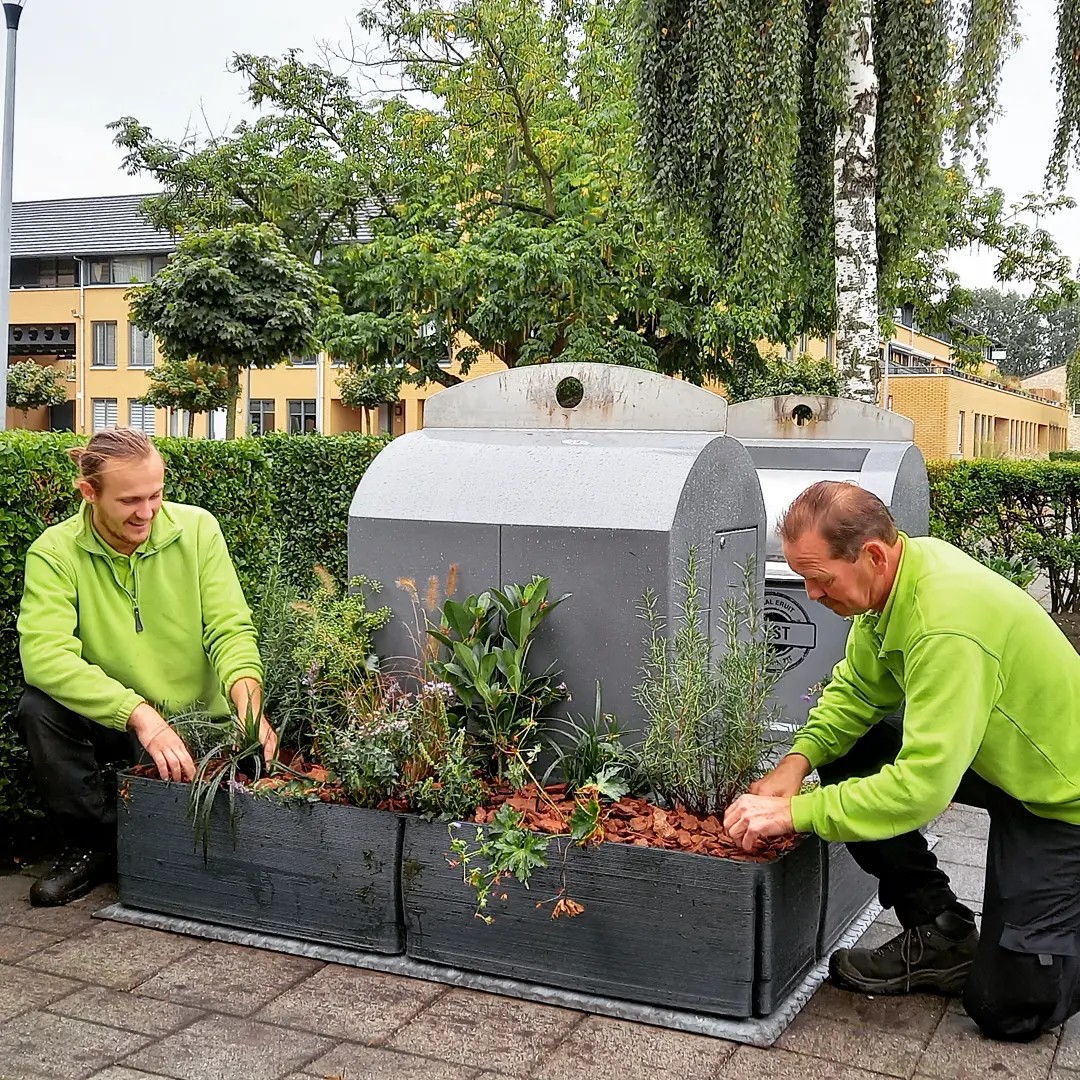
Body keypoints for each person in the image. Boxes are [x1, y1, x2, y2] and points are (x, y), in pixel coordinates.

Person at [723, 480, 1080, 1043]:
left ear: (871, 555)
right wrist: (795, 762)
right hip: (998, 757)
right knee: (853, 748)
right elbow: (859, 693)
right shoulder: (891, 585)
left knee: (1008, 1007)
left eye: (819, 578)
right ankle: (940, 931)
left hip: (1062, 798)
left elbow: (920, 789)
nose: (810, 595)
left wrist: (799, 813)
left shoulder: (946, 620)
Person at [16, 428, 275, 906]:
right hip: (120, 717)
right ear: (89, 493)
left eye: (156, 495)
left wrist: (249, 706)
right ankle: (90, 846)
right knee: (37, 708)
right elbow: (44, 656)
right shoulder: (55, 553)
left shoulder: (197, 531)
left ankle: (153, 841)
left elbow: (230, 628)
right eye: (130, 500)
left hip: (197, 719)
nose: (147, 512)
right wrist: (137, 712)